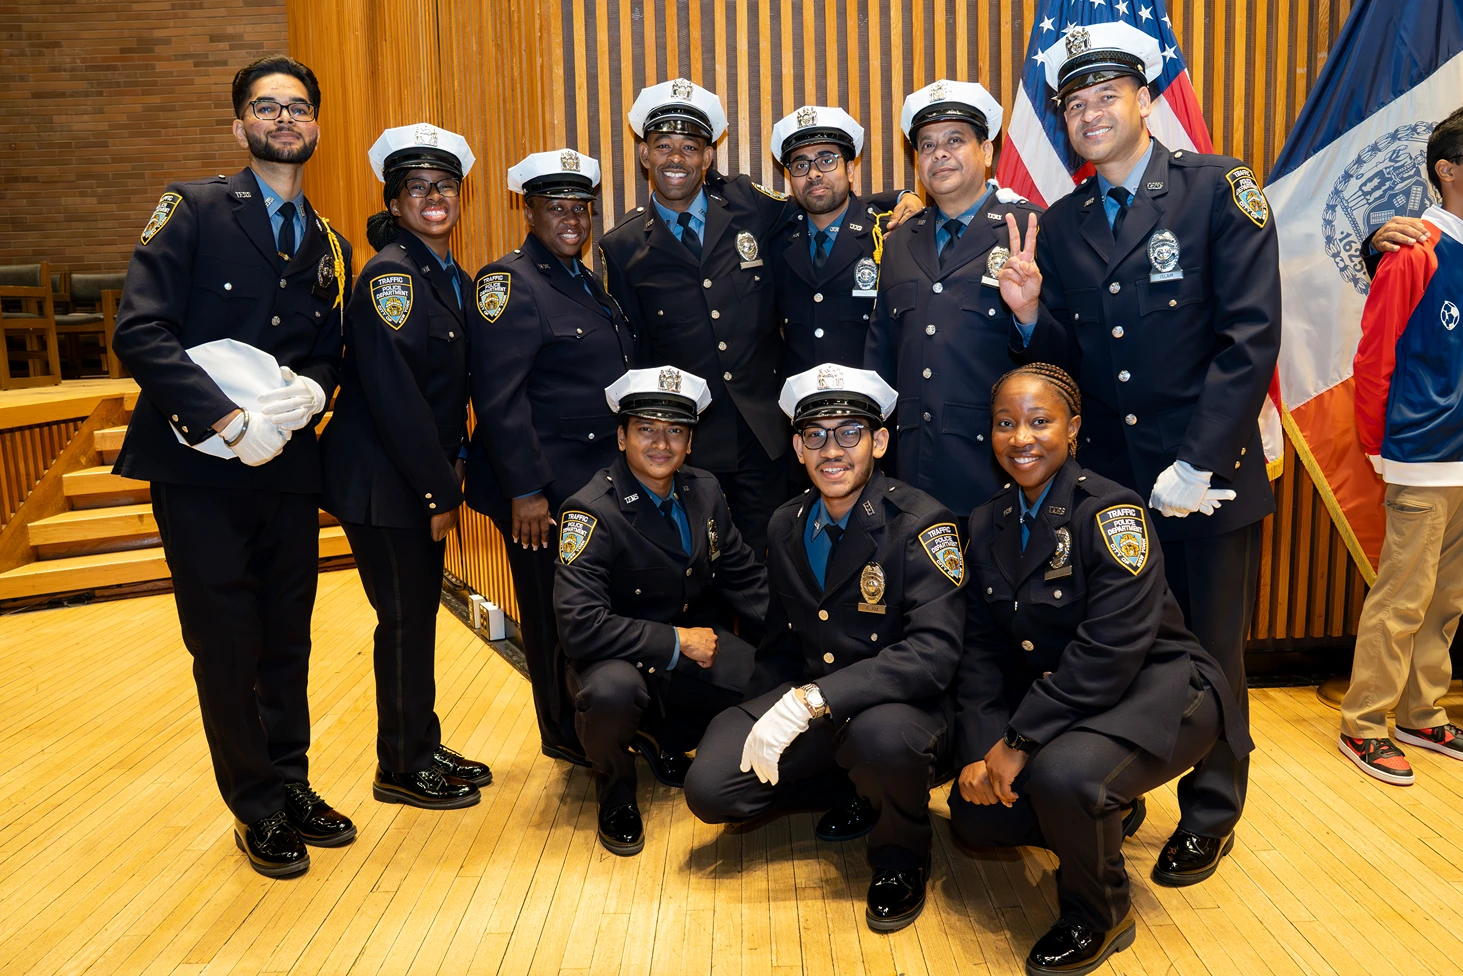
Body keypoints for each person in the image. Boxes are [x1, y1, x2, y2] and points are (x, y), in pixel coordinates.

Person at [1012, 22, 1281, 886]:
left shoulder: (1217, 189)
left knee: (1210, 649)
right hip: (1110, 487)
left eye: (1106, 95)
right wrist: (1029, 314)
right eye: (1073, 103)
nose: (1089, 113)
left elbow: (1249, 338)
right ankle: (1118, 785)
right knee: (1115, 644)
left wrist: (1199, 462)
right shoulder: (1062, 223)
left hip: (1205, 477)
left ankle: (1210, 810)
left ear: (1144, 99)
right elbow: (1072, 364)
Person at [111, 54, 354, 877]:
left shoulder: (331, 242)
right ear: (240, 123)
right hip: (199, 468)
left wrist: (310, 395)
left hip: (284, 465)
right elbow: (140, 330)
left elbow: (327, 350)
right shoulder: (193, 208)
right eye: (266, 105)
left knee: (287, 640)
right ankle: (255, 805)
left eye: (298, 106)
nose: (284, 118)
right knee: (226, 644)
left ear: (316, 124)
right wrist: (223, 417)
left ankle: (291, 781)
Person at [949, 363, 1252, 976]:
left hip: (1161, 689)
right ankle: (1106, 810)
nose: (1021, 438)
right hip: (1073, 700)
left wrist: (1018, 741)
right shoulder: (986, 522)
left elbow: (1110, 651)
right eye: (1005, 424)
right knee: (977, 813)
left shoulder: (1112, 513)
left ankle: (1099, 913)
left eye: (1040, 421)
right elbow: (979, 652)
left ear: (1073, 428)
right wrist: (983, 749)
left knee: (1064, 778)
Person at [684, 364, 965, 933]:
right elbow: (781, 643)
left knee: (880, 740)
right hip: (817, 704)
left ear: (879, 442)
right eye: (814, 435)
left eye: (849, 433)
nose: (831, 450)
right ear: (797, 448)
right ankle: (852, 788)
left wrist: (809, 702)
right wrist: (762, 713)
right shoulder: (786, 524)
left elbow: (933, 654)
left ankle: (901, 854)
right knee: (711, 788)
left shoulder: (921, 524)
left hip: (901, 710)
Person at [600, 79, 921, 556]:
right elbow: (637, 353)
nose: (675, 158)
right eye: (662, 145)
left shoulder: (747, 204)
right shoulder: (622, 245)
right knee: (694, 561)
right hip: (690, 437)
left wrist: (902, 198)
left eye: (689, 146)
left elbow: (822, 201)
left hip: (766, 432)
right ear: (644, 155)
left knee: (773, 556)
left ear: (708, 157)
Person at [319, 122, 491, 810]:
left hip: (411, 475)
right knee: (403, 620)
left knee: (416, 615)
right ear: (394, 203)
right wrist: (439, 491)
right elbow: (397, 399)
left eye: (444, 185)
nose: (433, 196)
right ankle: (400, 765)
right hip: (386, 482)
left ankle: (418, 738)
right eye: (416, 187)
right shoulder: (392, 276)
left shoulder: (448, 275)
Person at [553, 367, 768, 856]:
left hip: (687, 651)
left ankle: (663, 737)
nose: (660, 443)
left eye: (675, 430)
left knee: (767, 682)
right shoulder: (590, 511)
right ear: (621, 437)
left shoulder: (704, 490)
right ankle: (615, 791)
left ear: (690, 442)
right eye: (646, 428)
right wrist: (677, 641)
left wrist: (802, 642)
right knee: (611, 693)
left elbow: (745, 578)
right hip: (613, 656)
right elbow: (580, 627)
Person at [466, 149, 635, 767]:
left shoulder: (582, 279)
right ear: (529, 212)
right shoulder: (509, 282)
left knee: (589, 613)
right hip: (545, 492)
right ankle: (563, 732)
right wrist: (525, 491)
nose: (571, 219)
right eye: (555, 207)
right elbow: (499, 398)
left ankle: (600, 722)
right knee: (550, 616)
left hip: (591, 484)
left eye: (580, 208)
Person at [1339, 108, 1463, 786]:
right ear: (1447, 170)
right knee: (1403, 597)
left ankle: (1422, 711)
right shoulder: (1414, 251)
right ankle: (1364, 722)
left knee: (1447, 598)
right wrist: (1379, 446)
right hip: (1421, 452)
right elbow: (1374, 356)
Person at [864, 79, 1046, 524]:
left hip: (999, 469)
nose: (939, 154)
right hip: (911, 471)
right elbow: (881, 351)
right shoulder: (900, 241)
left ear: (986, 151)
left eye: (954, 140)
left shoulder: (1029, 230)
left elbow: (1063, 359)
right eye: (927, 145)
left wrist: (1028, 316)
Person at [766, 105, 907, 374]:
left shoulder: (887, 233)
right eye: (800, 165)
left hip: (870, 395)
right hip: (799, 396)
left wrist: (905, 196)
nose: (813, 173)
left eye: (826, 160)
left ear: (850, 170)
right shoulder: (779, 240)